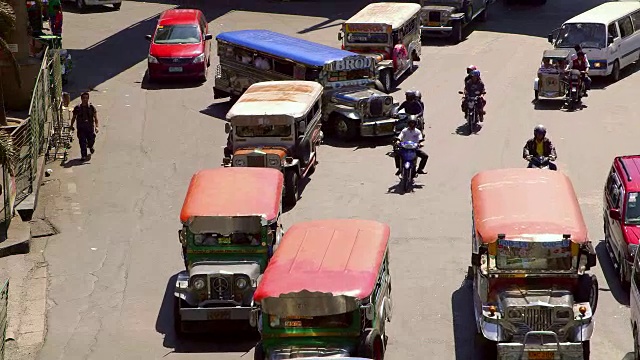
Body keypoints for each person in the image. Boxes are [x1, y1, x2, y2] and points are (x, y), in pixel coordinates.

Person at [70, 92, 99, 161]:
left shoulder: (91, 108)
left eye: (86, 98)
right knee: (82, 141)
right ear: (81, 99)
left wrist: (96, 126)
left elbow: (95, 118)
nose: (85, 100)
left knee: (91, 139)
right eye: (84, 98)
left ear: (88, 99)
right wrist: (71, 125)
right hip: (81, 128)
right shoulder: (77, 108)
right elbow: (74, 117)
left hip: (90, 128)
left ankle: (90, 146)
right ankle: (84, 155)